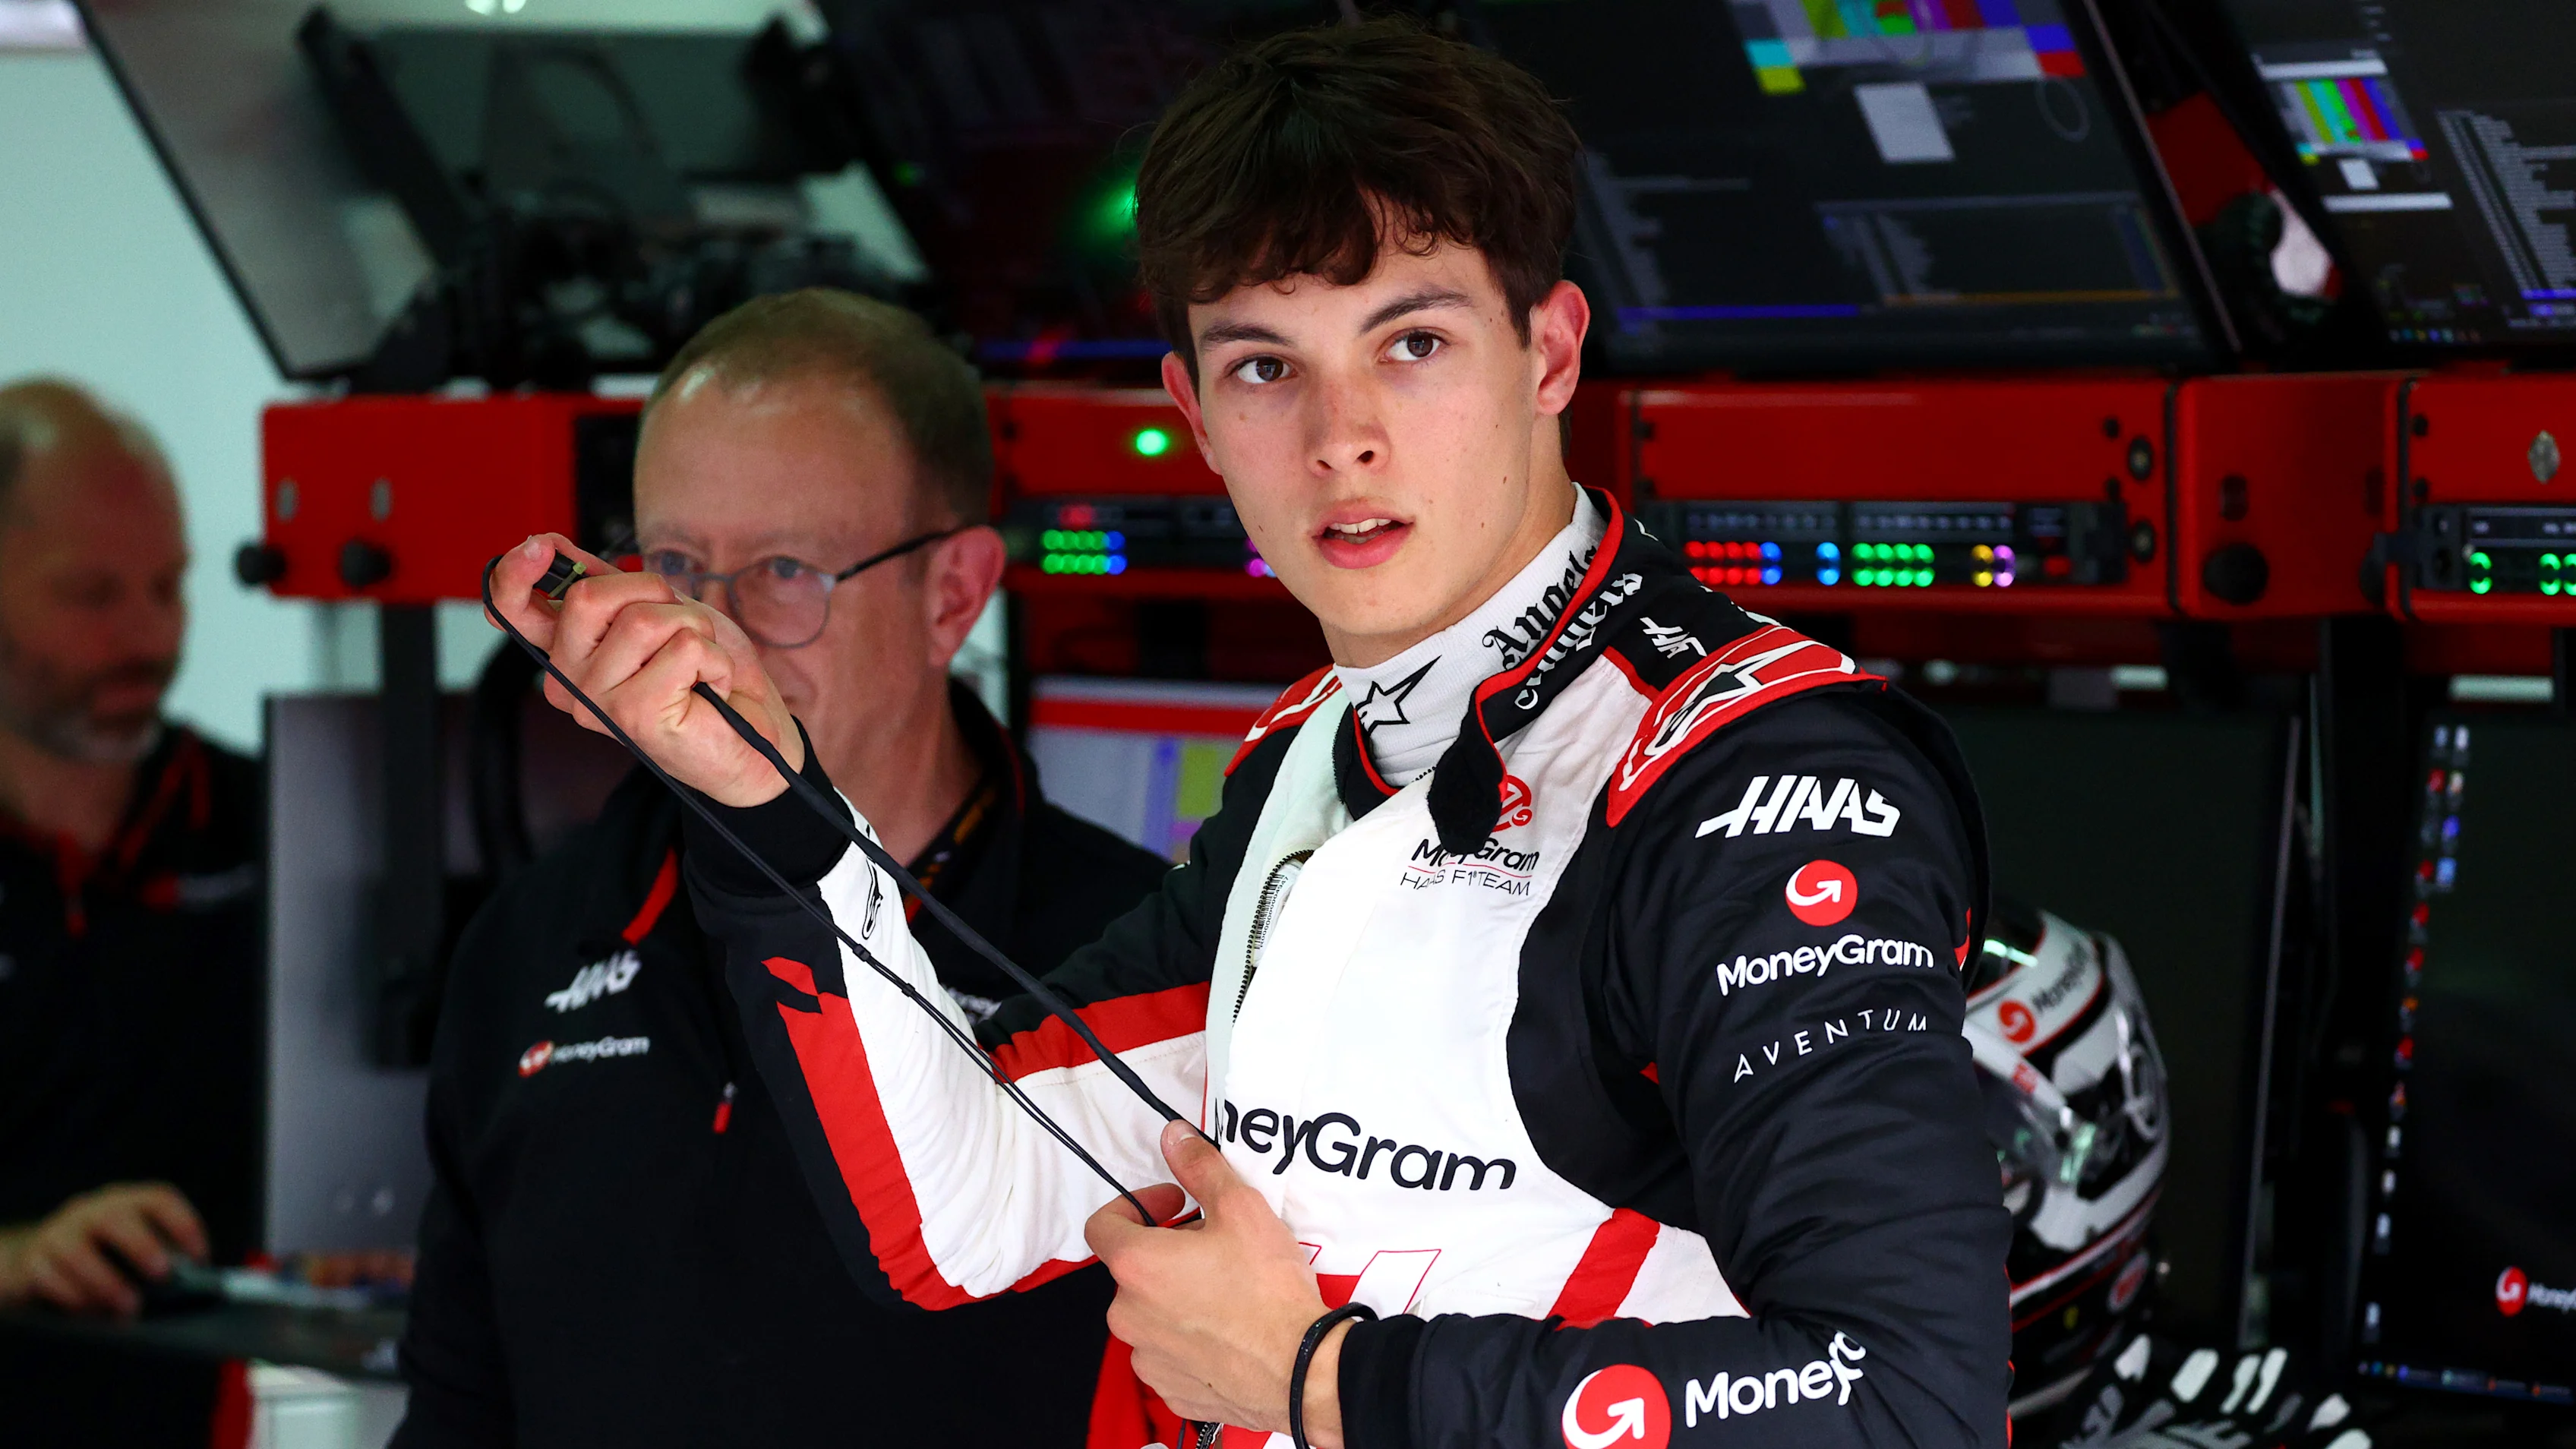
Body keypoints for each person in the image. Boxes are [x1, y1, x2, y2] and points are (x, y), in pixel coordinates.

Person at [494, 21, 2012, 1448]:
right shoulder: (1316, 757)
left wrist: (1317, 1380)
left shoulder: (1753, 783)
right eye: (1266, 366)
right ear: (1198, 413)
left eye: (1412, 343)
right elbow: (965, 1208)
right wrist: (767, 800)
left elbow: (1907, 1403)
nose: (1341, 435)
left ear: (1548, 356)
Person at [394, 291, 1172, 1448]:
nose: (705, 633)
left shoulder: (1138, 958)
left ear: (953, 594)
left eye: (785, 570)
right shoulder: (530, 940)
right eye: (675, 564)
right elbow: (458, 1408)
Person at [0, 379, 265, 1442]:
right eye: (92, 593)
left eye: (169, 586)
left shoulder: (276, 824)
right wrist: (21, 1258)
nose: (148, 635)